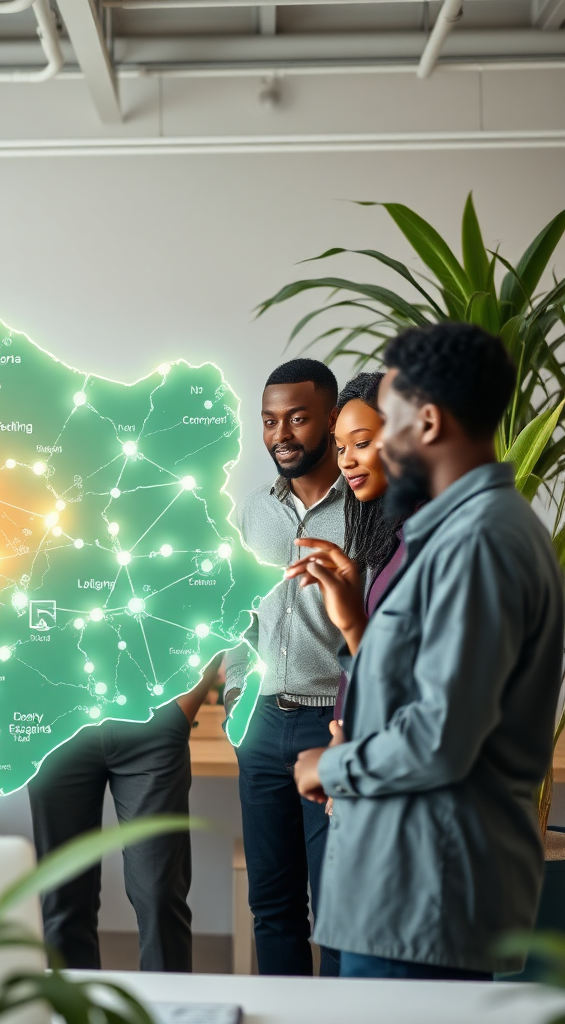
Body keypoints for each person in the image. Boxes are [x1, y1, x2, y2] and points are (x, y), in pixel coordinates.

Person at [294, 323, 565, 980]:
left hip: (419, 902)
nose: (373, 444)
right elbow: (420, 691)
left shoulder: (479, 543)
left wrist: (331, 768)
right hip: (402, 892)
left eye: (385, 422)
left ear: (430, 421)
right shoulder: (450, 536)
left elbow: (442, 735)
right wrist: (357, 628)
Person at [224, 357, 345, 977]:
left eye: (298, 418)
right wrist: (237, 689)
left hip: (333, 727)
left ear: (330, 417)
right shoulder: (254, 511)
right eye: (269, 421)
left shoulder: (366, 510)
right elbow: (235, 612)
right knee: (272, 908)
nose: (281, 434)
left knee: (339, 909)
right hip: (263, 723)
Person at [26, 652, 222, 973]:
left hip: (151, 725)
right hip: (58, 727)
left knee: (159, 895)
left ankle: (169, 1013)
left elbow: (216, 615)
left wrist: (181, 709)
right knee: (62, 900)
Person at [285, 371, 409, 726]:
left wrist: (352, 620)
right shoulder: (388, 541)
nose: (345, 460)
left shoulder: (429, 547)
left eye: (362, 442)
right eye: (340, 447)